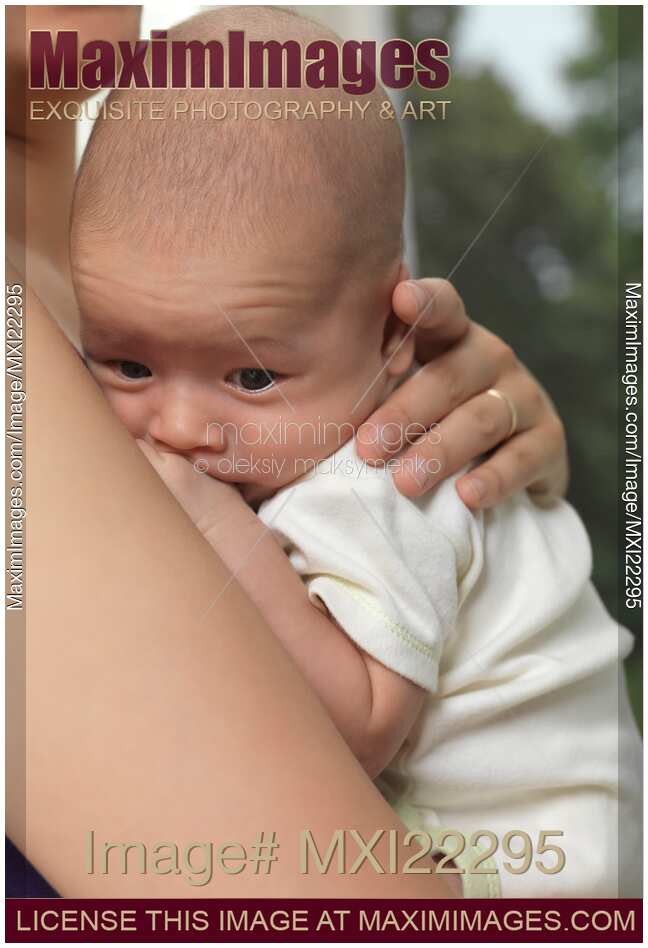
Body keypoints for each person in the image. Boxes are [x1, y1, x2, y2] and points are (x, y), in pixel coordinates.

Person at [70, 6, 641, 899]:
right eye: (128, 363)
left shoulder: (377, 481)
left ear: (392, 338)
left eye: (252, 379)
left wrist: (204, 513)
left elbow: (366, 725)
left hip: (537, 866)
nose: (177, 427)